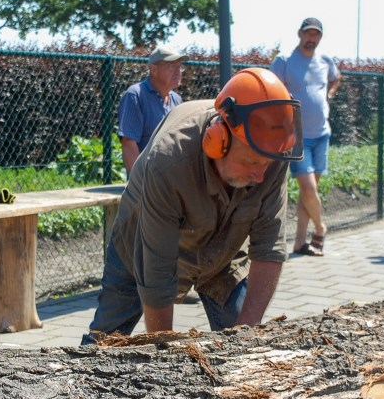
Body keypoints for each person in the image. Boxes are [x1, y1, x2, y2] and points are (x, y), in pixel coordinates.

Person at [82, 67, 303, 344]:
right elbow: (157, 274)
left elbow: (269, 247)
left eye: (266, 165)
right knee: (102, 343)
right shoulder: (168, 161)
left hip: (222, 256)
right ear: (218, 141)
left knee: (242, 338)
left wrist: (246, 336)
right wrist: (165, 353)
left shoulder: (271, 150)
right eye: (250, 164)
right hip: (141, 248)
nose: (260, 176)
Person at [271, 17, 340, 257]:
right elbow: (271, 89)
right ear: (299, 34)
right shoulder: (285, 62)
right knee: (309, 189)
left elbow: (336, 77)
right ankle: (321, 229)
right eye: (308, 34)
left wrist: (330, 93)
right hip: (296, 136)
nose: (312, 39)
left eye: (316, 35)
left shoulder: (325, 61)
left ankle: (300, 243)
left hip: (322, 134)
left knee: (308, 192)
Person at [117, 45, 187, 175]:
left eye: (180, 66)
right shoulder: (135, 95)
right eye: (172, 66)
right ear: (154, 70)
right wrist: (141, 183)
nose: (178, 72)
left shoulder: (177, 100)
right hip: (148, 183)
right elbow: (128, 143)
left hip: (171, 181)